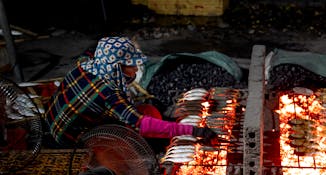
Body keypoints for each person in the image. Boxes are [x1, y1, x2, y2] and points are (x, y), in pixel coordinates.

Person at [45, 36, 217, 147]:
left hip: (53, 119)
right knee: (144, 140)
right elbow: (141, 125)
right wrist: (193, 130)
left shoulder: (86, 63)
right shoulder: (109, 93)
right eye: (132, 64)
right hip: (68, 139)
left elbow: (96, 49)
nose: (136, 68)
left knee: (148, 109)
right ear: (118, 67)